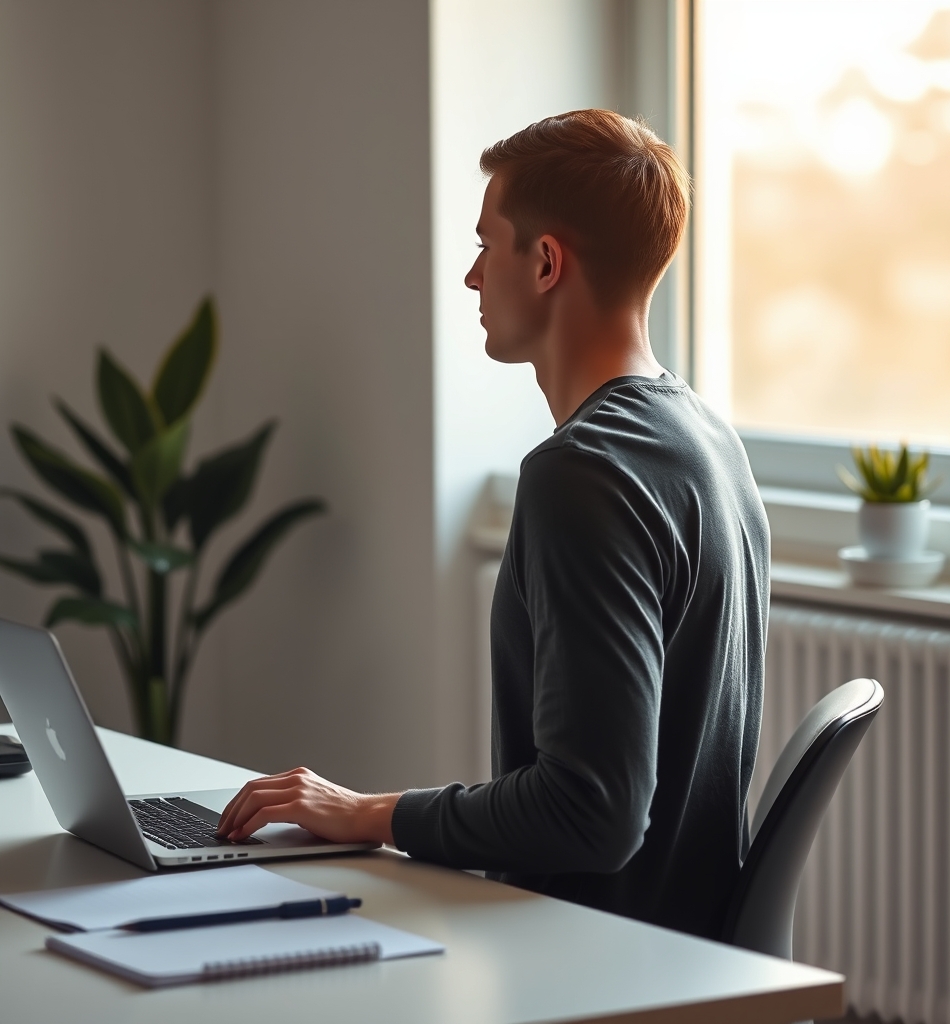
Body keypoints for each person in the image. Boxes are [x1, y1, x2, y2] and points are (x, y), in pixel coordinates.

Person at [217, 109, 770, 940]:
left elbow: (593, 812)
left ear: (545, 261)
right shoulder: (704, 437)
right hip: (668, 945)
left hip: (590, 958)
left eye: (486, 245)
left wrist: (367, 811)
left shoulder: (581, 474)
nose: (474, 278)